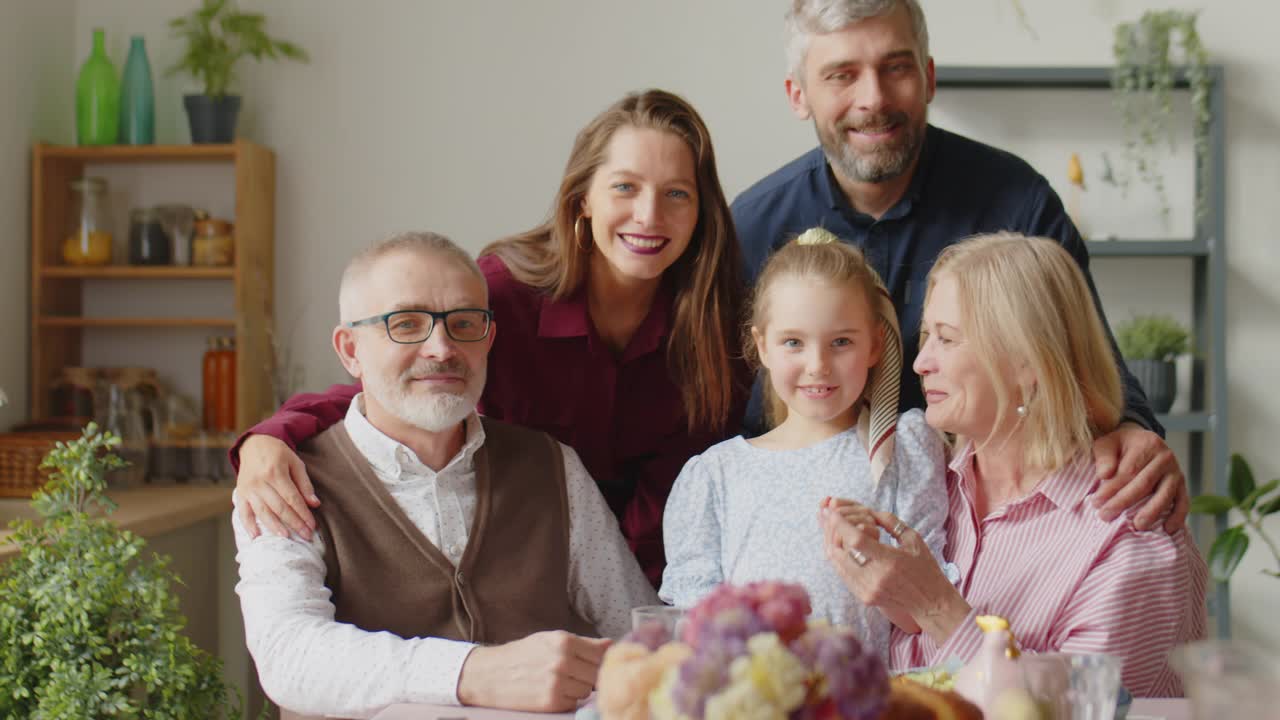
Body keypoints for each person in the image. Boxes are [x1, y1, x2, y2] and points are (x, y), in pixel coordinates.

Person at [230, 90, 749, 586]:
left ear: (701, 211)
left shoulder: (717, 328)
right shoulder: (504, 296)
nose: (649, 215)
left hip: (645, 580)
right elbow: (400, 387)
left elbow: (680, 503)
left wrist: (637, 621)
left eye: (676, 193)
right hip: (502, 557)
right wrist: (270, 437)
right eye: (625, 187)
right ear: (583, 197)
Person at [733, 0, 1188, 530]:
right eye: (842, 75)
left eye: (896, 67)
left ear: (928, 77)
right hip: (804, 524)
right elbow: (718, 412)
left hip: (996, 521)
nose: (873, 99)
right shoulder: (751, 226)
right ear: (798, 94)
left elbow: (1087, 359)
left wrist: (1133, 428)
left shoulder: (1016, 204)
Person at [232, 232, 658, 718]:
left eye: (464, 323)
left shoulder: (554, 466)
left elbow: (636, 634)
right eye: (406, 323)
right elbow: (289, 656)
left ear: (489, 339)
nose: (441, 347)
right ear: (350, 349)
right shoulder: (284, 481)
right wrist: (475, 672)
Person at [818, 233, 1208, 696]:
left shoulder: (1131, 538)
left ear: (1028, 363)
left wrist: (935, 607)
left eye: (947, 339)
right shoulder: (926, 482)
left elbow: (1094, 708)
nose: (921, 363)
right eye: (927, 336)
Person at [660, 228, 949, 660]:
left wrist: (868, 556)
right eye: (793, 342)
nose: (818, 365)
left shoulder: (902, 449)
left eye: (841, 342)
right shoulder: (716, 477)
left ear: (874, 344)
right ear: (762, 346)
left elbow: (922, 616)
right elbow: (696, 638)